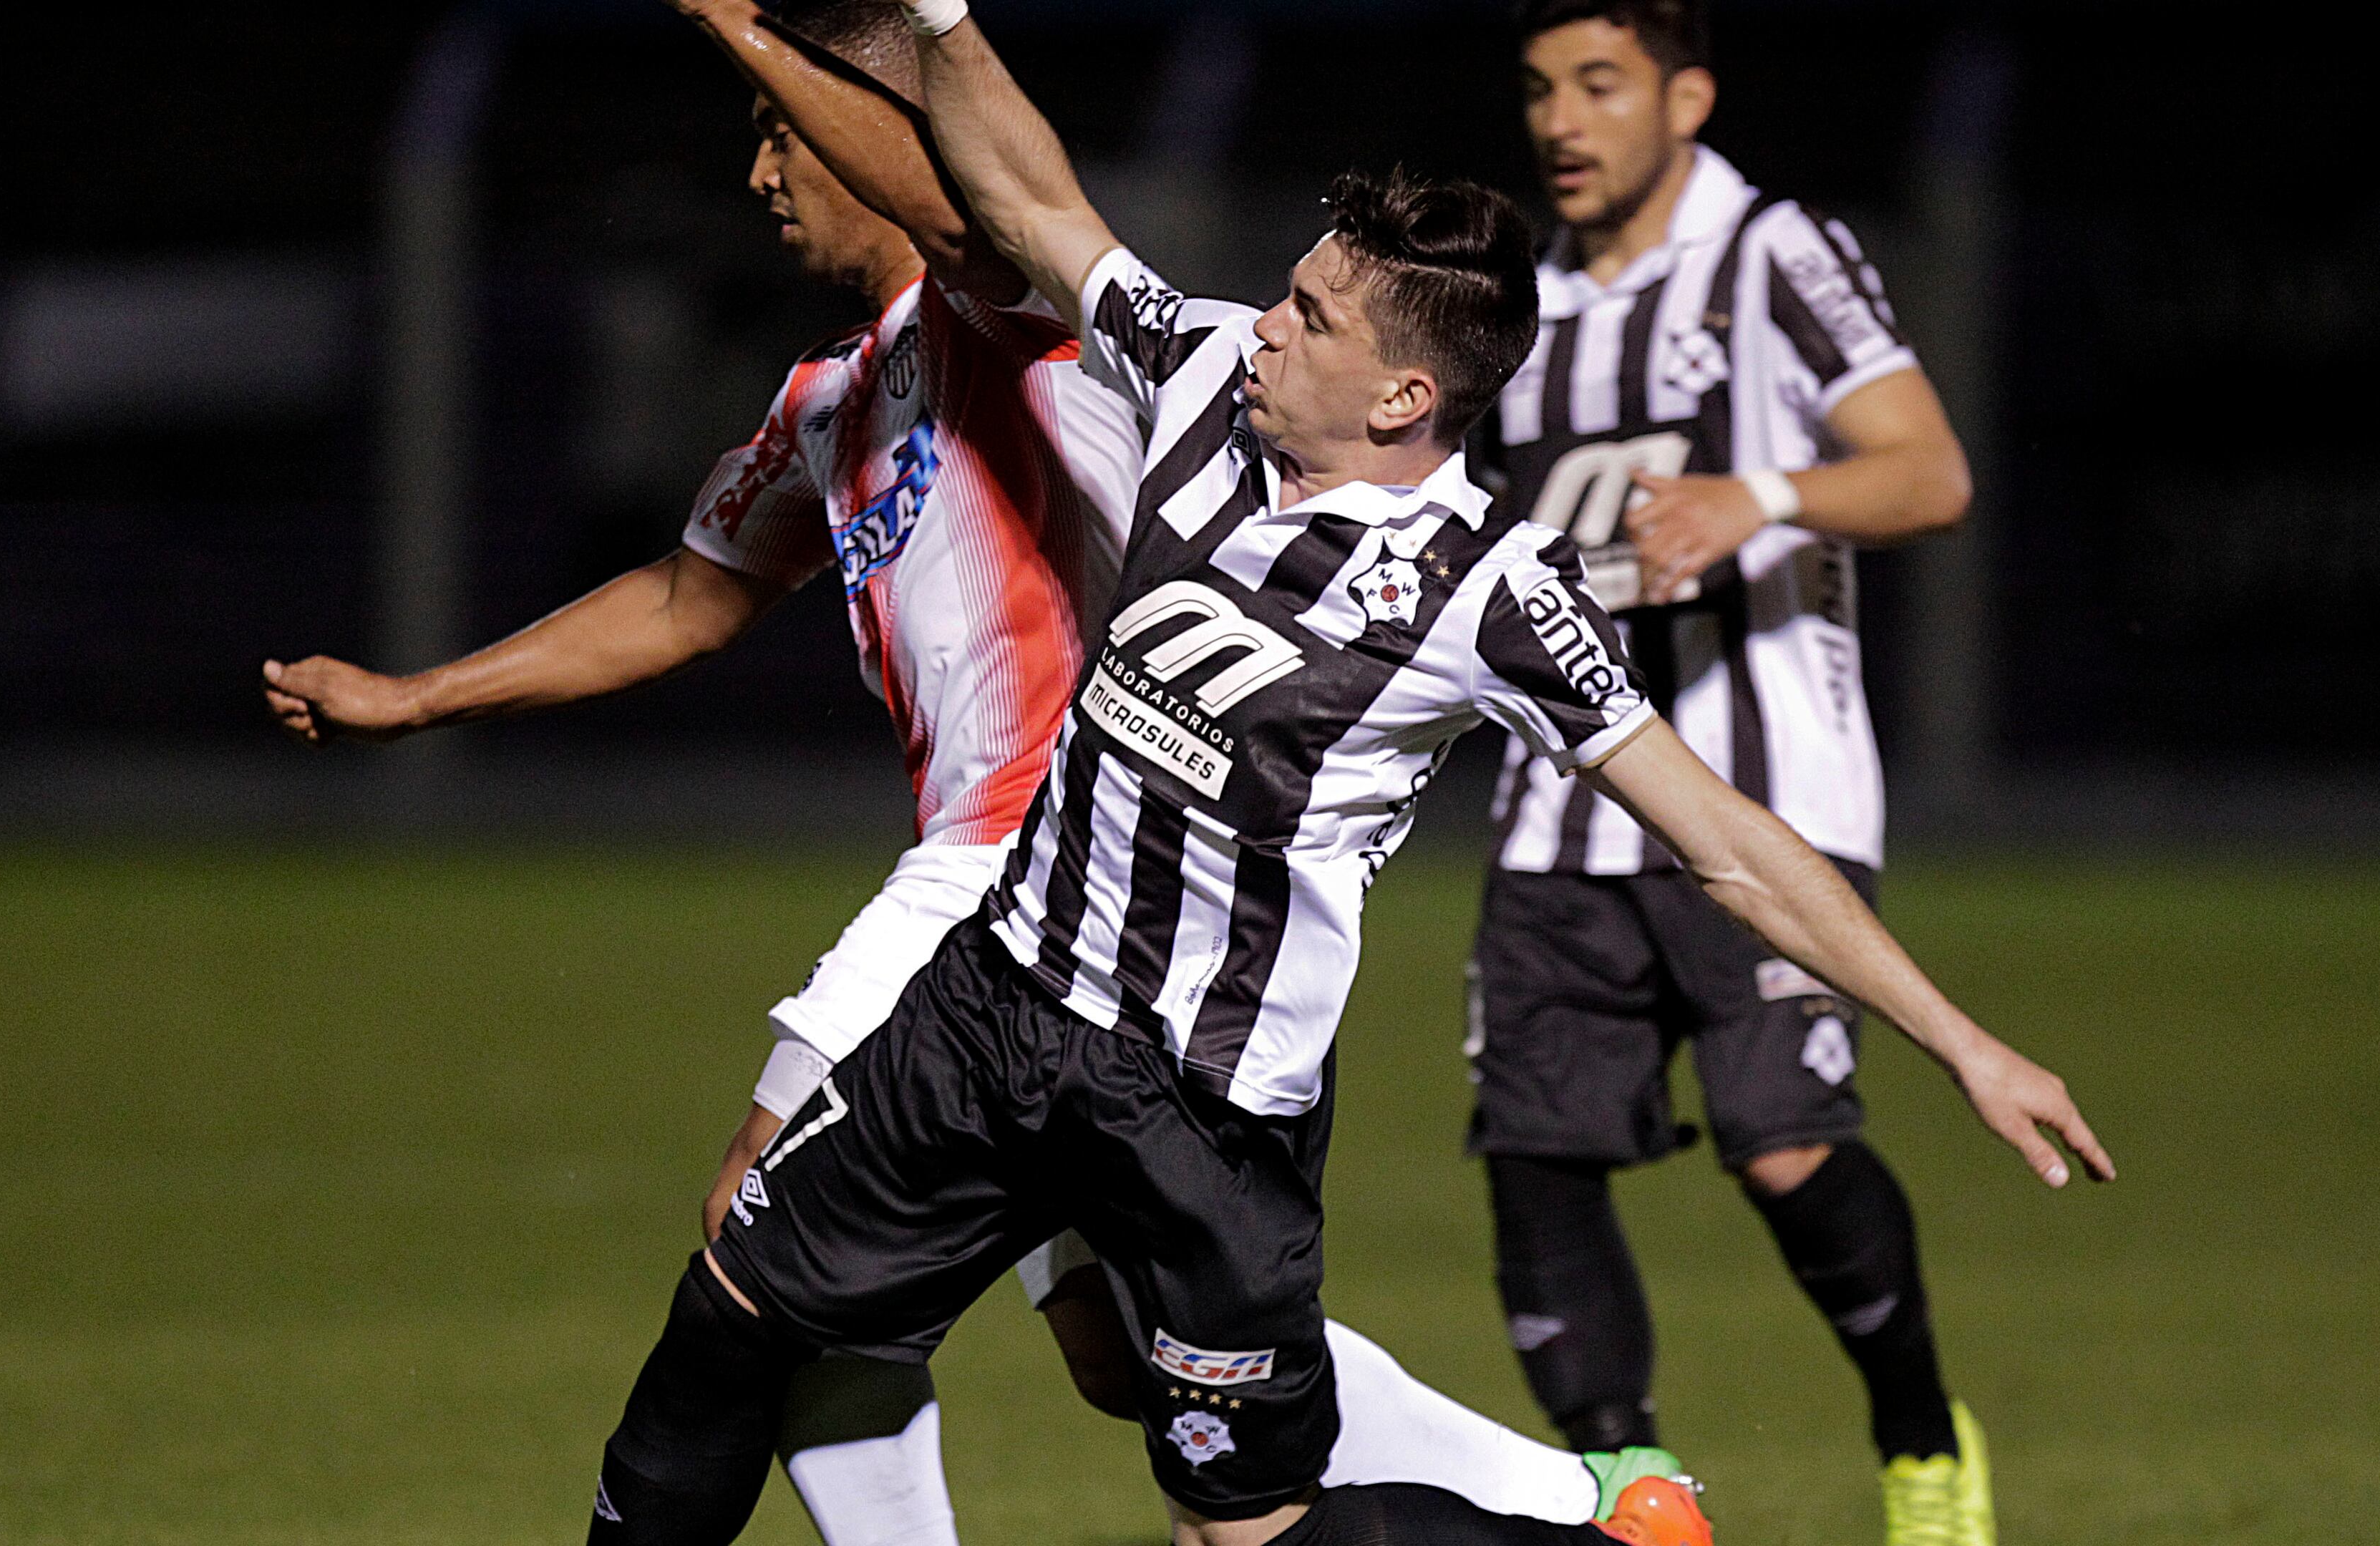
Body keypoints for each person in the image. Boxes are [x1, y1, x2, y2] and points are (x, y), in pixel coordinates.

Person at [585, 4, 2112, 1545]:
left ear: (1401, 400)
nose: (1264, 323)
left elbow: (1724, 842)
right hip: (993, 1015)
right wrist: (943, 22)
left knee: (1245, 1532)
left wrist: (1963, 1044)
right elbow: (1034, 201)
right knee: (727, 1328)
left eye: (1307, 318)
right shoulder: (1193, 380)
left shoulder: (1489, 590)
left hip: (1202, 1115)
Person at [268, 3, 1644, 1540]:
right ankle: (1576, 1503)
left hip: (1052, 858)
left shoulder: (1010, 329)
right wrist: (415, 697)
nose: (766, 174)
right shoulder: (829, 399)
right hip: (1020, 914)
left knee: (758, 1234)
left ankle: (1558, 1498)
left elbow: (959, 193)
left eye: (785, 135)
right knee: (1126, 1359)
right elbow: (685, 597)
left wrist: (749, 29)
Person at [1466, 4, 2019, 1541]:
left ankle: (1920, 1440)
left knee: (1784, 1147)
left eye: (1599, 86)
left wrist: (1754, 497)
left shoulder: (1773, 250)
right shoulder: (1520, 294)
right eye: (1538, 91)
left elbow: (1931, 471)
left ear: (1688, 98)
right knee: (1538, 1159)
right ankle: (1640, 1494)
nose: (1561, 121)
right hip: (1555, 805)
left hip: (1769, 797)